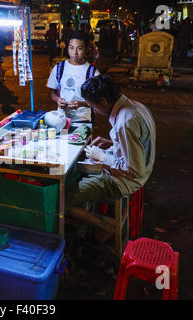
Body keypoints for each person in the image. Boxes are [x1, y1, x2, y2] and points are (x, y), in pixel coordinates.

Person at [66, 75, 156, 243]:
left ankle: (105, 227)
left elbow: (133, 168)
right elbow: (139, 143)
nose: (94, 110)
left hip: (124, 181)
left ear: (104, 100)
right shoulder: (136, 106)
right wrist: (112, 144)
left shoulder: (125, 122)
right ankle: (89, 220)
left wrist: (102, 156)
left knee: (61, 199)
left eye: (93, 106)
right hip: (141, 168)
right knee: (80, 172)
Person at [47, 30, 101, 125]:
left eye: (79, 48)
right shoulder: (59, 68)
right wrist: (57, 100)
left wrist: (80, 104)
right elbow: (52, 93)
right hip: (61, 120)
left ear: (86, 49)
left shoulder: (93, 73)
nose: (74, 52)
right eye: (71, 48)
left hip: (82, 120)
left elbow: (97, 101)